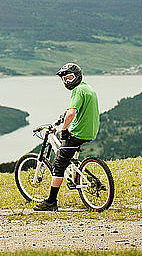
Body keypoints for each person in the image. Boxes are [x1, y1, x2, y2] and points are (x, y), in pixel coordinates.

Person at [34, 62, 100, 211]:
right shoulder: (87, 89)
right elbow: (71, 111)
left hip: (79, 132)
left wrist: (63, 129)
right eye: (64, 79)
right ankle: (76, 175)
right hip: (91, 131)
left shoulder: (77, 91)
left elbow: (72, 113)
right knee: (70, 157)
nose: (67, 82)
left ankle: (51, 202)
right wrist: (62, 118)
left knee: (58, 165)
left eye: (69, 78)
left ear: (77, 76)